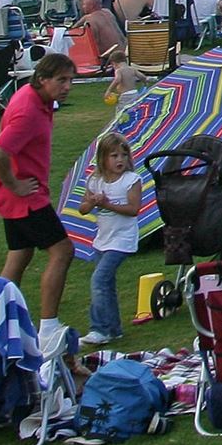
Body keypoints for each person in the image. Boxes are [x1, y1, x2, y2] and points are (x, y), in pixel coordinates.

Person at [0, 51, 76, 323]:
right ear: (42, 79)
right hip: (25, 198)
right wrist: (14, 184)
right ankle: (49, 325)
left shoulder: (32, 95)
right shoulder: (28, 112)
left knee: (19, 256)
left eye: (71, 80)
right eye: (61, 80)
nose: (67, 87)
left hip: (13, 197)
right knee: (62, 251)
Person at [80, 130, 145, 349]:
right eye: (114, 156)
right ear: (103, 159)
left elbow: (133, 209)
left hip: (122, 240)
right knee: (107, 284)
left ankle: (99, 329)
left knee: (98, 281)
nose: (120, 160)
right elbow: (83, 208)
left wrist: (106, 204)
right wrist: (93, 202)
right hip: (102, 240)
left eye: (123, 155)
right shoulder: (95, 180)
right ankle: (115, 329)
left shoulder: (131, 180)